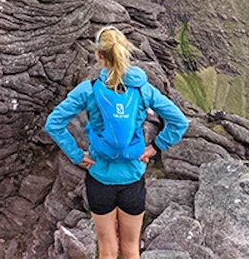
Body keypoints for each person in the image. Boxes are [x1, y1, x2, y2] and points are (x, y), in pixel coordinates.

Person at [45, 26, 189, 259]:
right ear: (124, 52)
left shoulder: (89, 90)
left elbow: (54, 123)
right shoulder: (142, 90)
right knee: (131, 249)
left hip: (99, 179)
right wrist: (155, 147)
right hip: (132, 180)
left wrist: (76, 155)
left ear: (99, 55)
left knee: (107, 249)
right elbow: (179, 121)